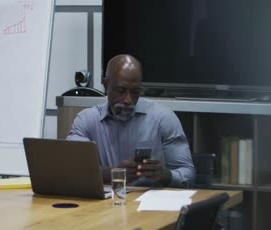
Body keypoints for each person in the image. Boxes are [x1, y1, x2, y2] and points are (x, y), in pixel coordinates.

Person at [67, 54, 195, 188]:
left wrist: (164, 175)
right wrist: (113, 174)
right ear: (106, 85)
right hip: (105, 204)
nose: (128, 100)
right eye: (120, 91)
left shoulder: (163, 118)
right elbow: (73, 171)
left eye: (135, 92)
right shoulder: (86, 120)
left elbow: (188, 175)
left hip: (149, 204)